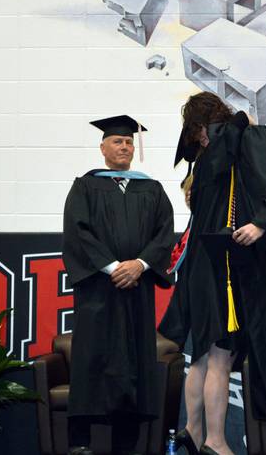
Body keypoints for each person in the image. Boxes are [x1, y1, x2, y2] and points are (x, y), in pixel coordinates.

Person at [161, 93, 266, 455]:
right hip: (254, 266)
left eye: (201, 136)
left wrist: (260, 224)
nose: (202, 145)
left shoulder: (254, 138)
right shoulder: (227, 157)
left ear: (205, 125)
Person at [62, 115, 176, 455]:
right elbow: (78, 232)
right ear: (103, 148)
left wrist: (139, 265)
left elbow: (164, 234)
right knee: (91, 361)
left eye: (128, 142)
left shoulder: (152, 188)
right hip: (99, 289)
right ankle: (79, 443)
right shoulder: (85, 186)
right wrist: (113, 267)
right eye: (117, 141)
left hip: (136, 289)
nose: (124, 146)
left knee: (134, 364)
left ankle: (125, 446)